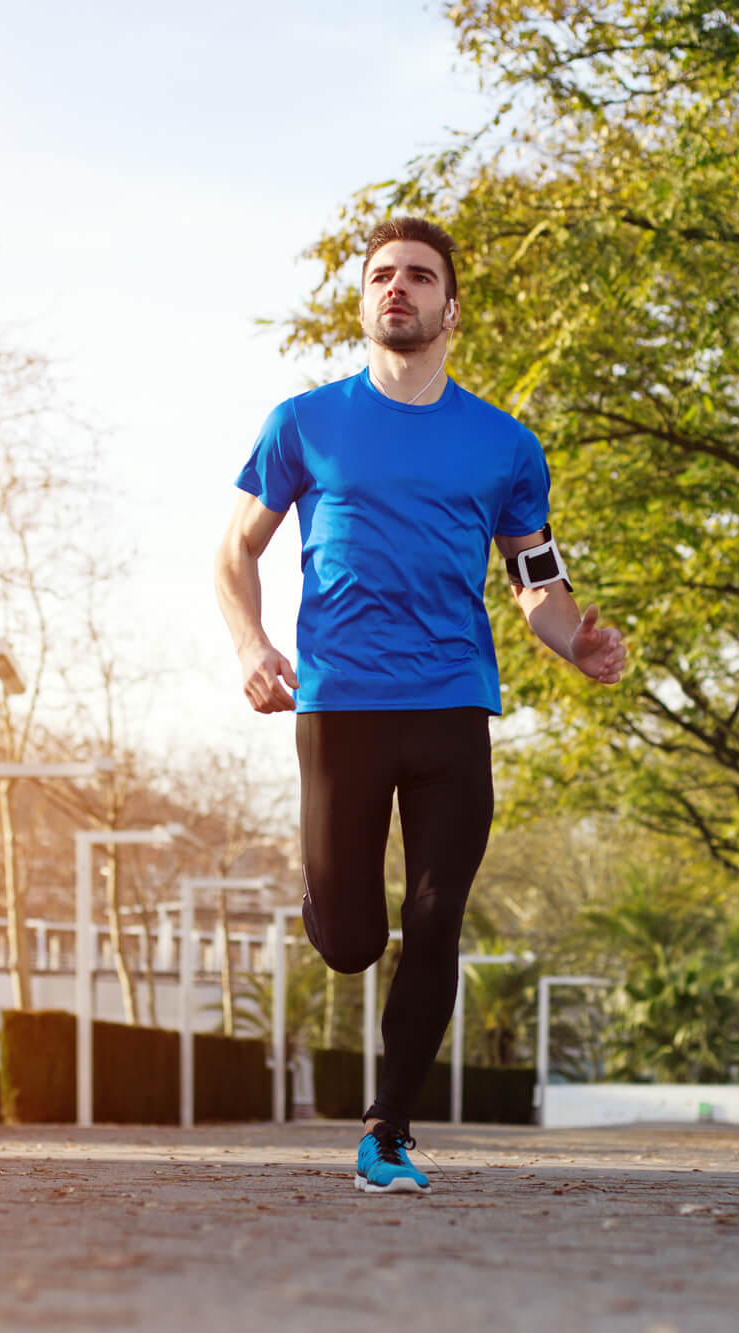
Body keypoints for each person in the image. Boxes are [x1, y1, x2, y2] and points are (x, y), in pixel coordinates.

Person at [213, 216, 627, 1193]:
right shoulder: (304, 423)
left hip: (450, 708)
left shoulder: (504, 446)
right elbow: (235, 550)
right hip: (339, 706)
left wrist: (576, 642)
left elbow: (534, 579)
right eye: (381, 276)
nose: (396, 288)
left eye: (417, 277)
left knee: (437, 914)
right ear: (365, 301)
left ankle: (386, 1131)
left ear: (449, 307)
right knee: (353, 942)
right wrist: (249, 644)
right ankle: (327, 897)